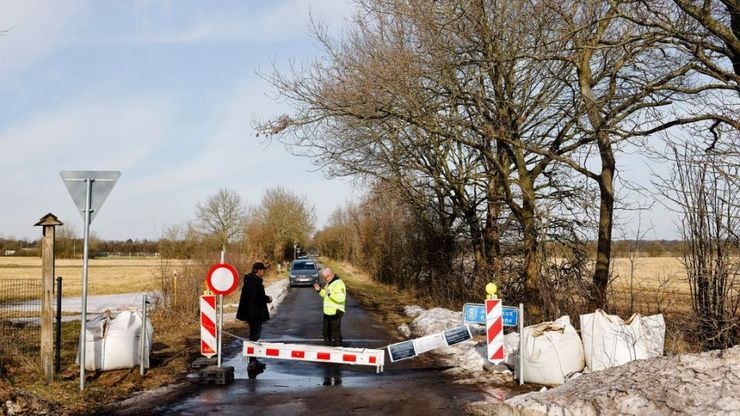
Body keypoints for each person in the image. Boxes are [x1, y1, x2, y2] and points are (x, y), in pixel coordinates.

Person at [236, 262, 272, 370]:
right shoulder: (252, 281)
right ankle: (252, 361)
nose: (264, 271)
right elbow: (255, 298)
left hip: (254, 313)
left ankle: (254, 360)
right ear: (258, 270)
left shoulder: (253, 280)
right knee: (254, 337)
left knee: (255, 337)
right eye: (262, 269)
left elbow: (256, 296)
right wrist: (267, 298)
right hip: (254, 314)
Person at [313, 267, 346, 346]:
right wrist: (319, 290)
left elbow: (341, 298)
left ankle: (338, 346)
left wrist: (330, 294)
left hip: (336, 311)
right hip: (328, 311)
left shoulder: (339, 284)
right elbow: (326, 295)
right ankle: (328, 346)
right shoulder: (330, 283)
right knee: (325, 332)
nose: (324, 279)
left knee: (335, 331)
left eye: (325, 278)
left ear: (330, 275)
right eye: (324, 278)